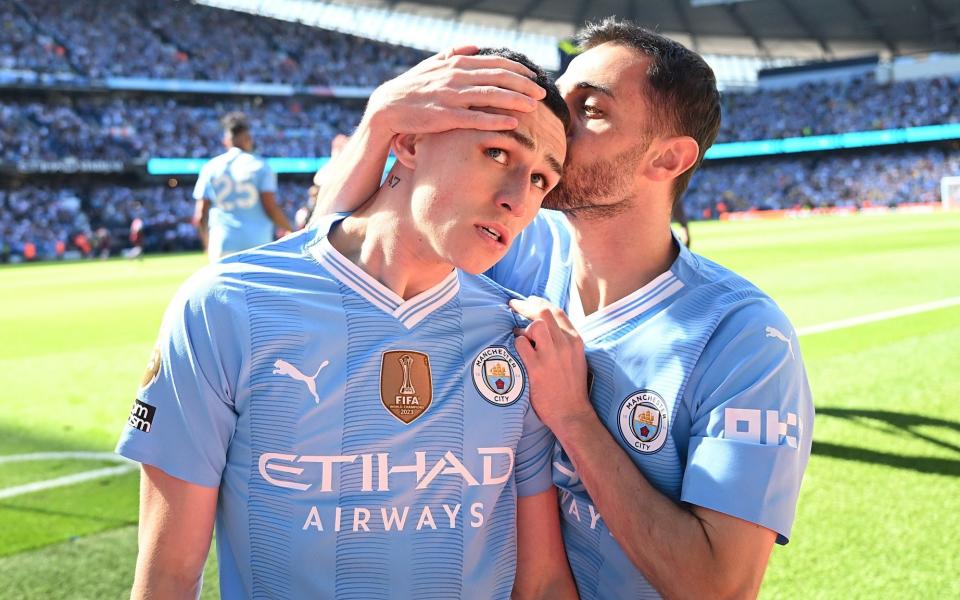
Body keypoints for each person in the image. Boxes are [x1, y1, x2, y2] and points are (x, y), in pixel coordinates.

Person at [316, 19, 814, 599]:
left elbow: (718, 588)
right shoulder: (510, 251)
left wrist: (573, 417)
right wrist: (383, 118)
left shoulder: (744, 338)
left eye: (591, 109)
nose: (557, 121)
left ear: (667, 158)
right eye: (562, 94)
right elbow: (330, 270)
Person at [116, 49, 577, 599]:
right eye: (497, 151)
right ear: (407, 142)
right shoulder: (225, 309)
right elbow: (168, 576)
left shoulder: (517, 337)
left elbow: (543, 582)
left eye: (542, 181)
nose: (517, 199)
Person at [192, 111, 293, 262]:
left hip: (222, 243)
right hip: (258, 244)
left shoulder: (210, 167)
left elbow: (200, 215)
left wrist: (208, 244)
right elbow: (270, 208)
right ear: (248, 139)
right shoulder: (260, 166)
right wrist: (290, 229)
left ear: (226, 140)